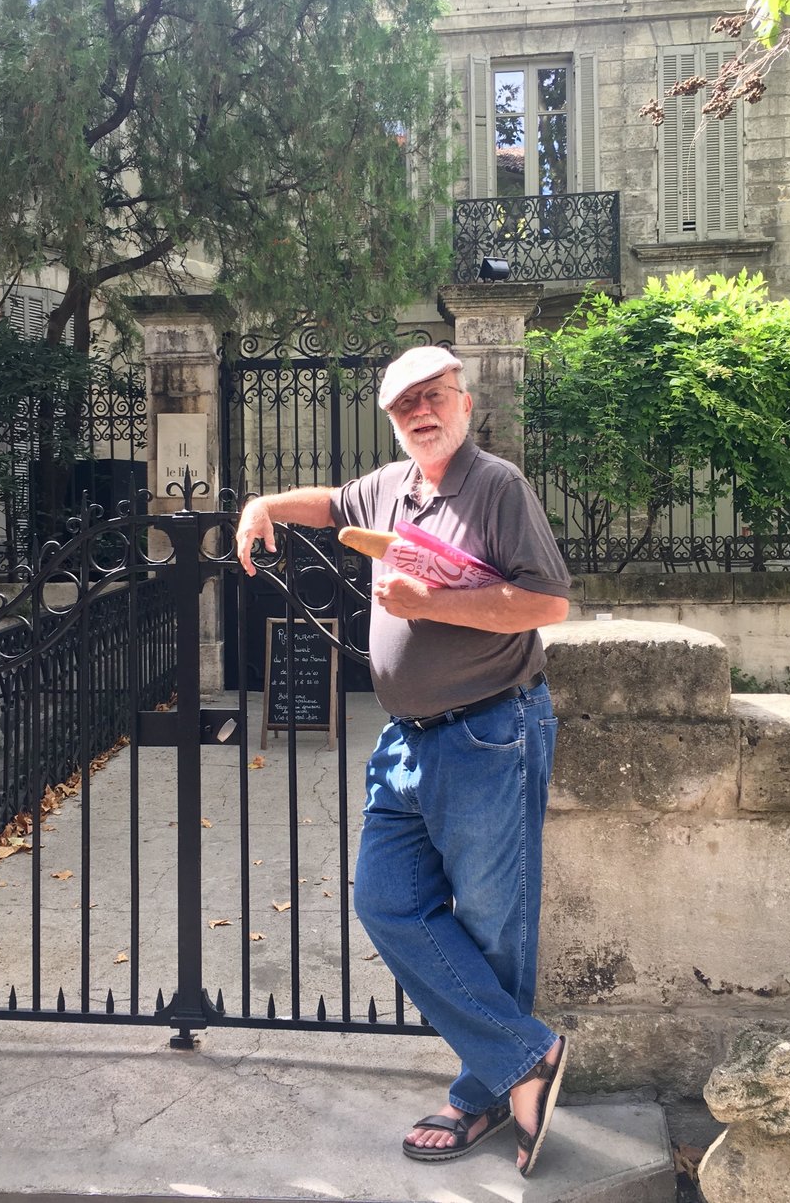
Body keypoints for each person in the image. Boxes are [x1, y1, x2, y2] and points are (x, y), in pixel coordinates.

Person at [235, 345, 572, 1177]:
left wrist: (434, 603)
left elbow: (546, 602)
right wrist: (263, 502)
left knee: (493, 925)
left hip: (489, 730)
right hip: (408, 739)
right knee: (386, 901)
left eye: (433, 396)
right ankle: (524, 1055)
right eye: (403, 404)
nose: (420, 412)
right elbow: (332, 501)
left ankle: (485, 1090)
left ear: (464, 402)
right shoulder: (394, 484)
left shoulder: (496, 486)